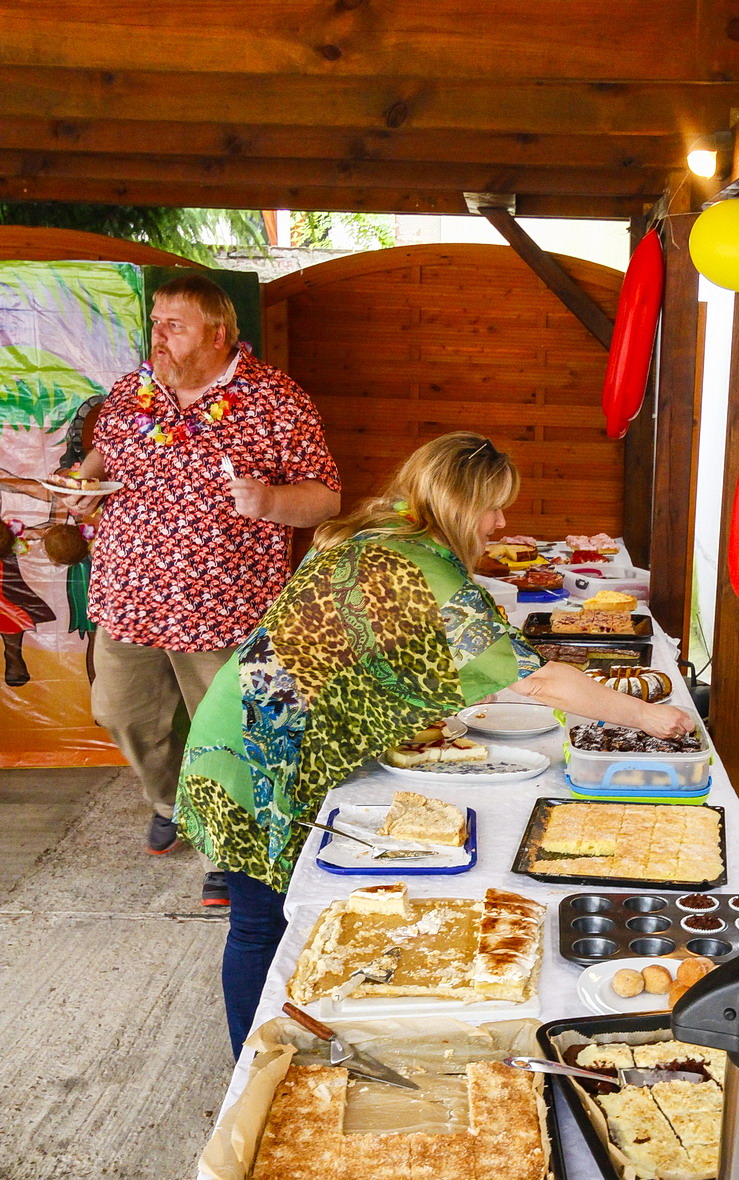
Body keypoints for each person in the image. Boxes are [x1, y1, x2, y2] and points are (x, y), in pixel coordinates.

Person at [175, 431, 698, 1056]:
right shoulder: (422, 565)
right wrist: (648, 717)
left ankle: (273, 1051)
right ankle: (255, 1063)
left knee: (264, 920)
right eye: (492, 508)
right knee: (262, 924)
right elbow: (537, 681)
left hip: (253, 722)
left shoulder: (390, 530)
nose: (500, 523)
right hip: (260, 748)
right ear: (456, 502)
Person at [55, 274, 342, 907]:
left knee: (228, 733)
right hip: (129, 593)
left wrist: (269, 501)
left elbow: (325, 497)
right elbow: (103, 454)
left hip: (224, 605)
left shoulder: (276, 398)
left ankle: (226, 849)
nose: (157, 335)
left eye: (174, 325)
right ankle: (171, 802)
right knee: (122, 713)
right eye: (155, 322)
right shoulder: (133, 388)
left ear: (218, 333)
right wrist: (81, 483)